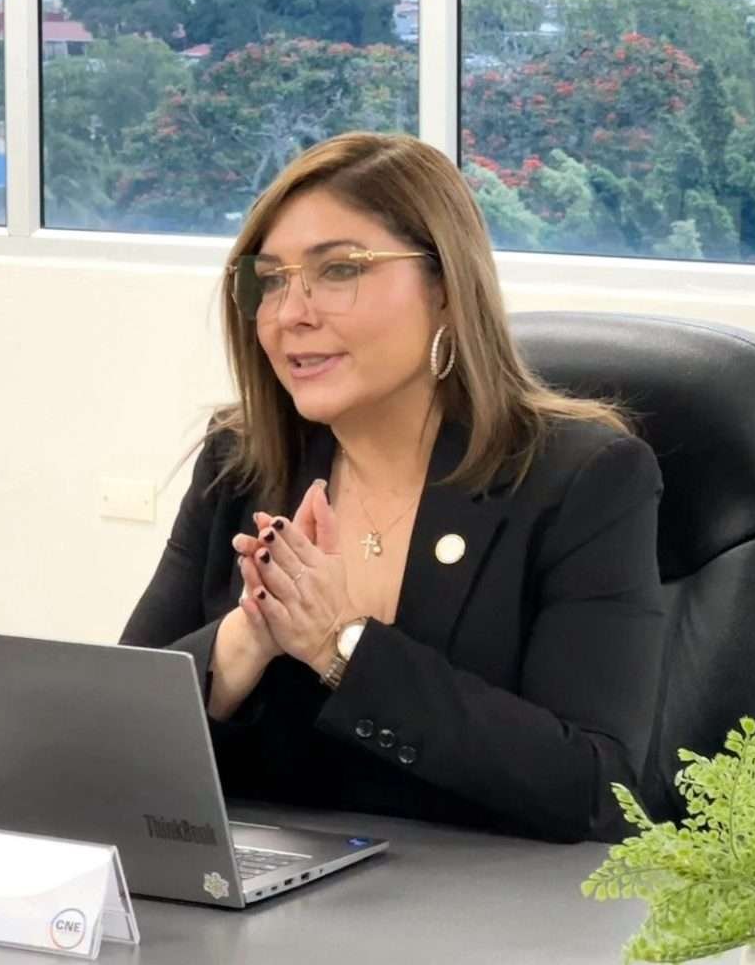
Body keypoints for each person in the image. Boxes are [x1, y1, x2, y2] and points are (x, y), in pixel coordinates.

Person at [120, 132, 668, 843]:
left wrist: (340, 645)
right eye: (272, 279)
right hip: (268, 893)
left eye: (339, 271)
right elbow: (116, 735)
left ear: (443, 288)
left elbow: (597, 790)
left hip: (480, 903)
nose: (290, 314)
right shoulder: (241, 462)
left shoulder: (581, 479)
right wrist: (243, 640)